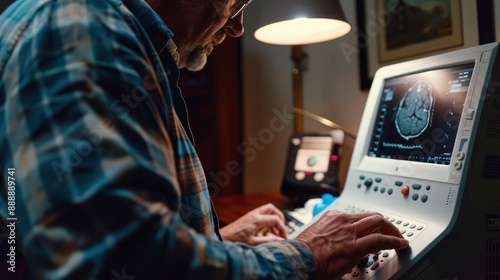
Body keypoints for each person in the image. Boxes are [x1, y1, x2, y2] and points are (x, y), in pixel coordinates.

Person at [0, 0, 409, 279]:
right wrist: (306, 255)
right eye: (237, 2)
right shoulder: (81, 30)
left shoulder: (100, 30)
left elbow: (108, 225)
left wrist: (217, 241)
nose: (237, 26)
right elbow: (126, 259)